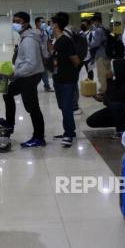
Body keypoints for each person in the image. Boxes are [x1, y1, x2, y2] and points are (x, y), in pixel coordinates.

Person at [1, 12, 46, 148]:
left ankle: (38, 138)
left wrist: (16, 73)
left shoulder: (29, 40)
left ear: (26, 23)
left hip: (30, 76)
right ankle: (9, 123)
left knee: (32, 107)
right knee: (7, 92)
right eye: (14, 21)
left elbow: (31, 63)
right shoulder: (25, 37)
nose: (15, 23)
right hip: (26, 75)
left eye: (18, 21)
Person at [86, 59, 125, 138]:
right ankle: (122, 123)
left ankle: (121, 131)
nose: (111, 71)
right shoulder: (118, 81)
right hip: (117, 110)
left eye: (113, 68)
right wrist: (97, 96)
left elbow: (111, 100)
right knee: (91, 121)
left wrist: (109, 80)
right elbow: (109, 97)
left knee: (115, 105)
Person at [51, 13, 81, 147]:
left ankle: (69, 133)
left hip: (68, 79)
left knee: (67, 107)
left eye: (51, 23)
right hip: (58, 78)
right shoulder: (57, 41)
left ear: (56, 25)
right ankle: (69, 131)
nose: (49, 26)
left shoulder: (66, 41)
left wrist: (71, 74)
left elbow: (76, 61)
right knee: (63, 106)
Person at [90, 14, 111, 101]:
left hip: (101, 55)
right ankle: (109, 89)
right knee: (108, 73)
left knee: (101, 74)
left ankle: (103, 92)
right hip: (108, 54)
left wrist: (88, 44)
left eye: (93, 22)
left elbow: (96, 43)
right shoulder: (105, 28)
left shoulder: (98, 30)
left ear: (96, 21)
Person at [34, 17, 53, 92]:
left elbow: (48, 42)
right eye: (42, 22)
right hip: (36, 56)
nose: (44, 24)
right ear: (37, 23)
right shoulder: (33, 32)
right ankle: (33, 86)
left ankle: (47, 86)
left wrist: (50, 51)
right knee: (36, 72)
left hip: (45, 55)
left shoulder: (45, 32)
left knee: (44, 71)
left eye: (44, 22)